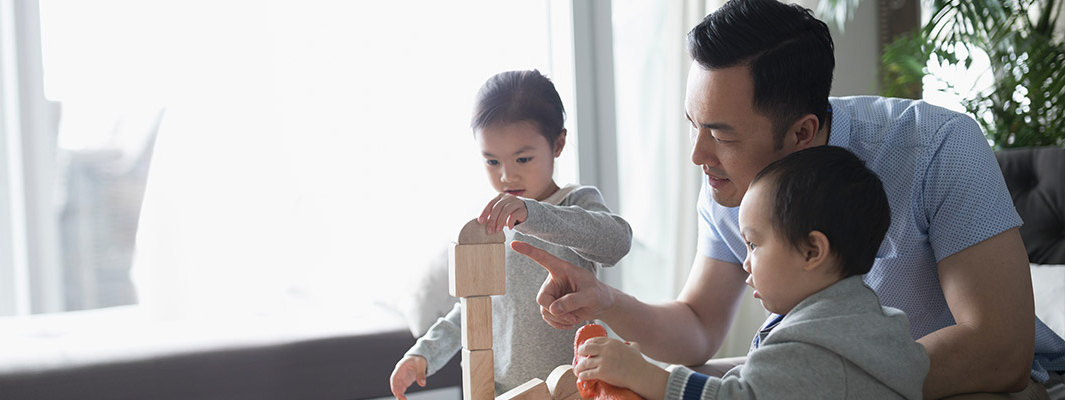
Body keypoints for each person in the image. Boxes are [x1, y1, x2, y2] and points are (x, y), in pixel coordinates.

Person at [513, 0, 1065, 398]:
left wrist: (805, 380)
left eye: (722, 134)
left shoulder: (937, 145)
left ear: (801, 133)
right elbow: (700, 325)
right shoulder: (732, 180)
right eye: (692, 124)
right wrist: (607, 304)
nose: (698, 154)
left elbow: (1000, 350)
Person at [564, 145, 929, 399]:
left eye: (754, 244)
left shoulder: (811, 346)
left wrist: (645, 375)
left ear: (811, 250)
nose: (745, 262)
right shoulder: (868, 323)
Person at [387, 70, 633, 399]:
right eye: (491, 161)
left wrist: (534, 214)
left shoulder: (576, 203)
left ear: (558, 143)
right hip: (500, 389)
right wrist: (424, 354)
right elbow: (474, 308)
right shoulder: (491, 223)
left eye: (523, 158)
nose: (507, 175)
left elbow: (616, 242)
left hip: (571, 386)